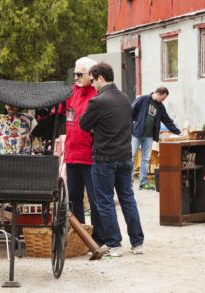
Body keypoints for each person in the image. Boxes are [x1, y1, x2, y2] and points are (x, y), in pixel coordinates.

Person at [79, 62, 144, 257]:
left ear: (100, 78)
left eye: (93, 80)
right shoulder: (125, 98)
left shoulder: (98, 101)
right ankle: (137, 242)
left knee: (104, 201)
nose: (92, 85)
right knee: (127, 199)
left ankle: (114, 244)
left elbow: (83, 125)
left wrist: (96, 127)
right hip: (125, 156)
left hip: (104, 158)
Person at [57, 57, 104, 246]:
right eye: (74, 73)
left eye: (80, 74)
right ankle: (79, 236)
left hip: (90, 156)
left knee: (95, 200)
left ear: (91, 75)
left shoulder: (97, 95)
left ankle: (98, 237)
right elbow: (59, 112)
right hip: (72, 155)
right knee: (74, 199)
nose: (75, 77)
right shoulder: (71, 93)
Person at [131, 87, 181, 190]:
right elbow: (130, 111)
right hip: (136, 133)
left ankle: (143, 183)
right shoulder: (143, 99)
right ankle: (128, 182)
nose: (163, 101)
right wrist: (131, 126)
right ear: (158, 94)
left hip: (149, 136)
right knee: (131, 157)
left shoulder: (160, 107)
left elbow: (167, 121)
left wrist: (178, 132)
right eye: (162, 98)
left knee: (145, 159)